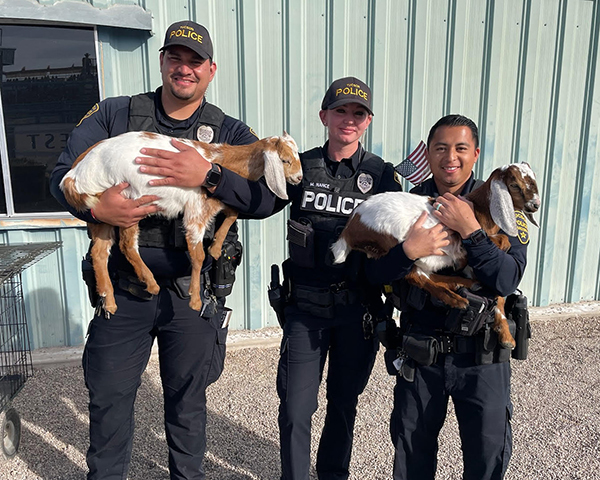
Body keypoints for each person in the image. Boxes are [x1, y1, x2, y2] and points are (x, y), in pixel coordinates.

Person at [50, 21, 266, 480]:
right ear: (163, 62)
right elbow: (61, 175)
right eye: (175, 58)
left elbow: (268, 198)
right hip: (126, 294)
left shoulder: (229, 131)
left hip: (192, 294)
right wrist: (96, 209)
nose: (184, 69)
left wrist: (209, 176)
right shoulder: (115, 115)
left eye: (194, 62)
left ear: (211, 70)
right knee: (108, 401)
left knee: (188, 407)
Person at [370, 114, 529, 480]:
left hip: (482, 357)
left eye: (460, 148)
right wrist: (406, 251)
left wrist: (471, 230)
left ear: (475, 154)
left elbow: (507, 278)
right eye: (440, 148)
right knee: (412, 457)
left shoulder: (504, 207)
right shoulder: (405, 204)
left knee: (486, 459)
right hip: (421, 353)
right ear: (429, 153)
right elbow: (373, 275)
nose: (450, 157)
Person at [266, 77, 402, 480]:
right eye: (340, 110)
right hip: (304, 309)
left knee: (343, 404)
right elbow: (257, 202)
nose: (348, 119)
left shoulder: (381, 176)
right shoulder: (299, 167)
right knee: (294, 407)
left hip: (356, 311)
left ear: (368, 121)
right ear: (324, 115)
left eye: (358, 113)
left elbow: (401, 235)